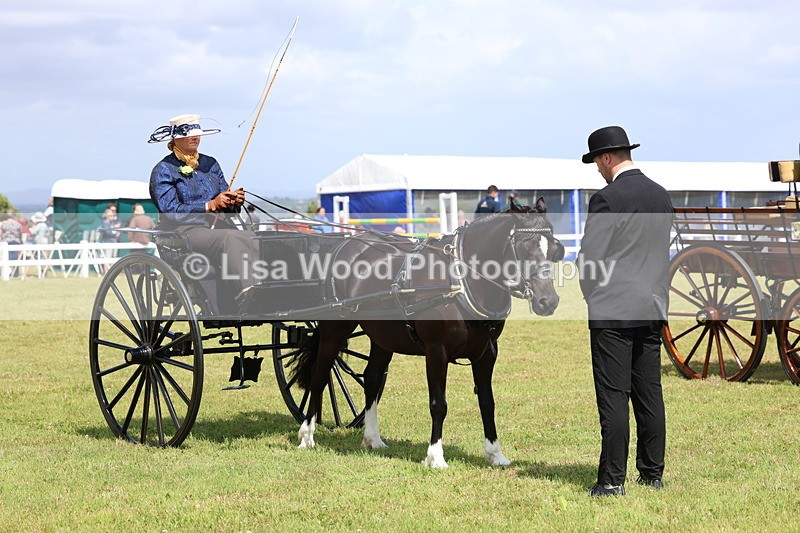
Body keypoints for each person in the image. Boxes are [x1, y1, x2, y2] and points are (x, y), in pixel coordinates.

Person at [577, 126, 674, 497]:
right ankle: (651, 474)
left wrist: (592, 296)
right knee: (649, 392)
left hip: (613, 309)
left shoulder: (607, 199)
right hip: (651, 305)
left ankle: (612, 480)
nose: (598, 171)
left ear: (606, 158)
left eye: (597, 163)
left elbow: (590, 261)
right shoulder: (660, 195)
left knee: (614, 395)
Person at [148, 113, 259, 298]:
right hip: (184, 230)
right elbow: (170, 211)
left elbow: (222, 198)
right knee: (230, 238)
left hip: (217, 226)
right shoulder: (163, 170)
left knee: (251, 235)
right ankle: (248, 291)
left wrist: (232, 202)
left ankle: (261, 285)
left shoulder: (210, 163)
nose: (195, 137)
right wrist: (208, 206)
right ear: (175, 139)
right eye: (189, 134)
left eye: (197, 134)